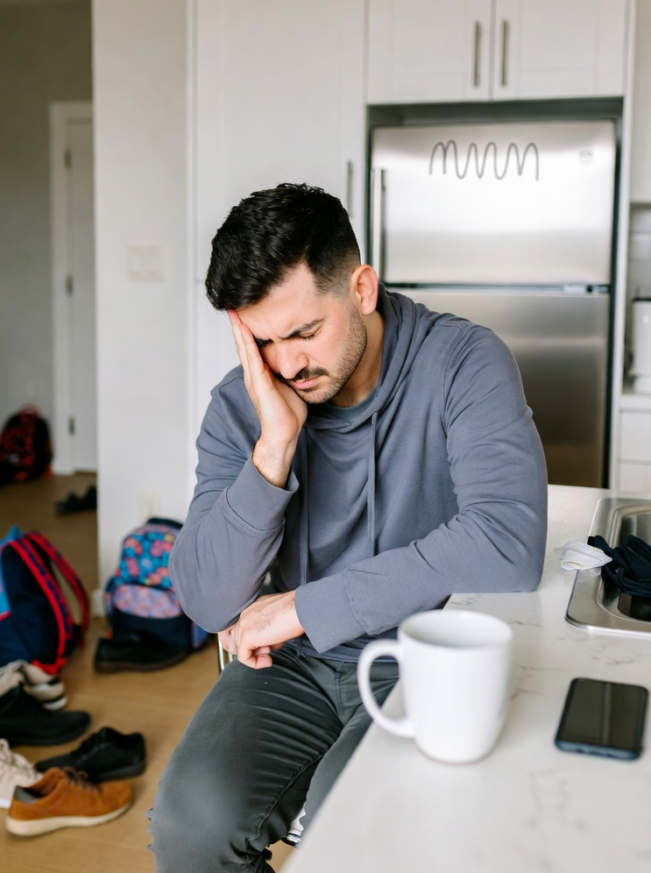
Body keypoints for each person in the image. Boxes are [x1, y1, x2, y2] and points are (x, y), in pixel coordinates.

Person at [150, 183, 548, 872]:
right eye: (264, 341)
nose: (287, 365)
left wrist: (304, 606)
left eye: (304, 332)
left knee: (355, 827)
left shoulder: (463, 362)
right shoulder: (244, 405)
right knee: (190, 825)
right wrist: (272, 449)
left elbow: (505, 542)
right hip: (294, 665)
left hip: (425, 655)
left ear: (360, 287)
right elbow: (207, 600)